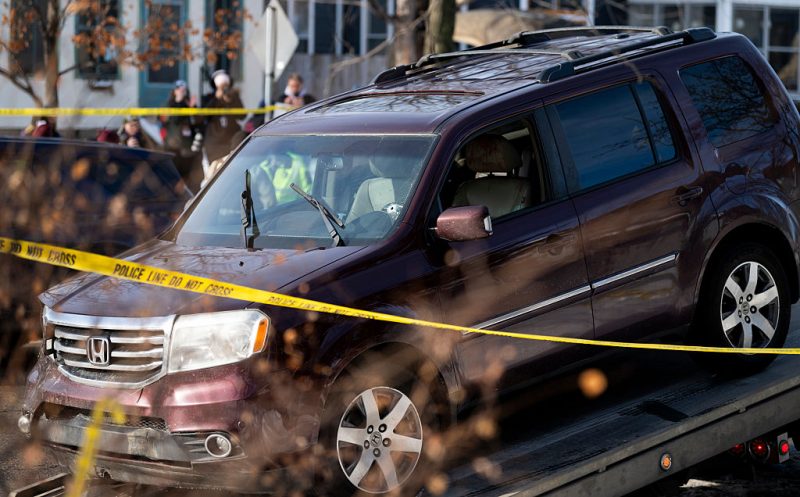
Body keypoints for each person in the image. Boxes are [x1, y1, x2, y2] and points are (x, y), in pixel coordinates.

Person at [163, 80, 202, 190]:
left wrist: (193, 109)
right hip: (173, 147)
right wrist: (179, 102)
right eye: (179, 89)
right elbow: (174, 120)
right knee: (174, 178)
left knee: (190, 179)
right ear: (174, 91)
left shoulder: (189, 104)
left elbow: (198, 122)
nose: (181, 92)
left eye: (184, 90)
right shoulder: (169, 105)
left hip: (188, 148)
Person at [202, 70, 244, 163]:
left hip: (231, 141)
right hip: (214, 143)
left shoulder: (233, 97)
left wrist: (231, 101)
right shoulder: (209, 98)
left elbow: (242, 115)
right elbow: (204, 116)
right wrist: (216, 99)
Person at [247, 73, 317, 130]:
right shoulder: (282, 98)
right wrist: (284, 104)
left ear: (301, 85)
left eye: (296, 86)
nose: (294, 88)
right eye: (292, 86)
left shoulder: (308, 98)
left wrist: (303, 105)